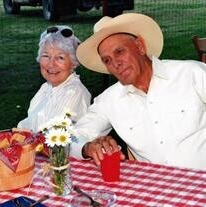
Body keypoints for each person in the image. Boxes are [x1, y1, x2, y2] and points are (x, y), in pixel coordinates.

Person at [73, 13, 206, 170]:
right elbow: (72, 138)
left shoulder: (192, 73)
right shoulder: (110, 99)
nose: (115, 63)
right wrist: (87, 147)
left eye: (119, 52)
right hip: (154, 187)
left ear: (140, 46)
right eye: (107, 60)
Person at [17, 25, 91, 133]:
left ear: (73, 63)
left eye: (60, 57)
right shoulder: (46, 87)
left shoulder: (75, 93)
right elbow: (29, 123)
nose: (51, 64)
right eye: (46, 56)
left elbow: (55, 137)